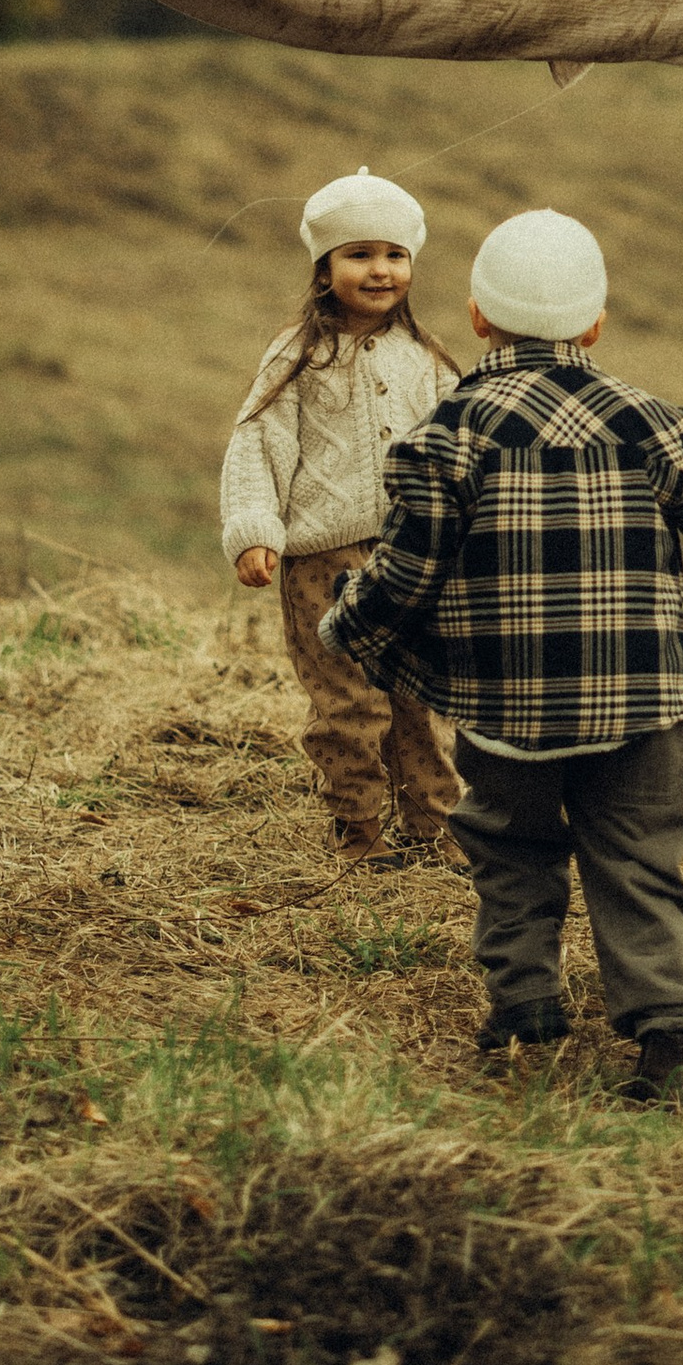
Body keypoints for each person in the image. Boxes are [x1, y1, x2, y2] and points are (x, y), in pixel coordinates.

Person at [320, 208, 683, 1103]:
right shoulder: (650, 421)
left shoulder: (446, 435)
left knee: (510, 845)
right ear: (595, 325)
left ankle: (524, 1010)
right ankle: (670, 1034)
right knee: (639, 855)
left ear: (480, 319)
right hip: (645, 704)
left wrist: (348, 626)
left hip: (505, 707)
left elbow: (405, 579)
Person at [221, 169, 465, 865]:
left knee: (422, 699)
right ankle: (359, 829)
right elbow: (256, 444)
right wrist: (253, 532)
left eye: (394, 254)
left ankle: (435, 825)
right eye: (359, 254)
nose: (380, 270)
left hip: (415, 561)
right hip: (325, 564)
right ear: (324, 270)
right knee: (350, 704)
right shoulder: (298, 356)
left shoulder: (430, 360)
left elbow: (460, 453)